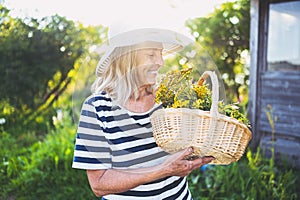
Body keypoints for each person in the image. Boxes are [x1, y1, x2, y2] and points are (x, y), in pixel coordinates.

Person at [72, 28, 215, 200]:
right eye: (151, 55)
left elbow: (186, 145)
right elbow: (99, 184)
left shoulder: (167, 98)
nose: (161, 62)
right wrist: (164, 169)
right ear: (127, 59)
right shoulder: (96, 108)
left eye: (160, 53)